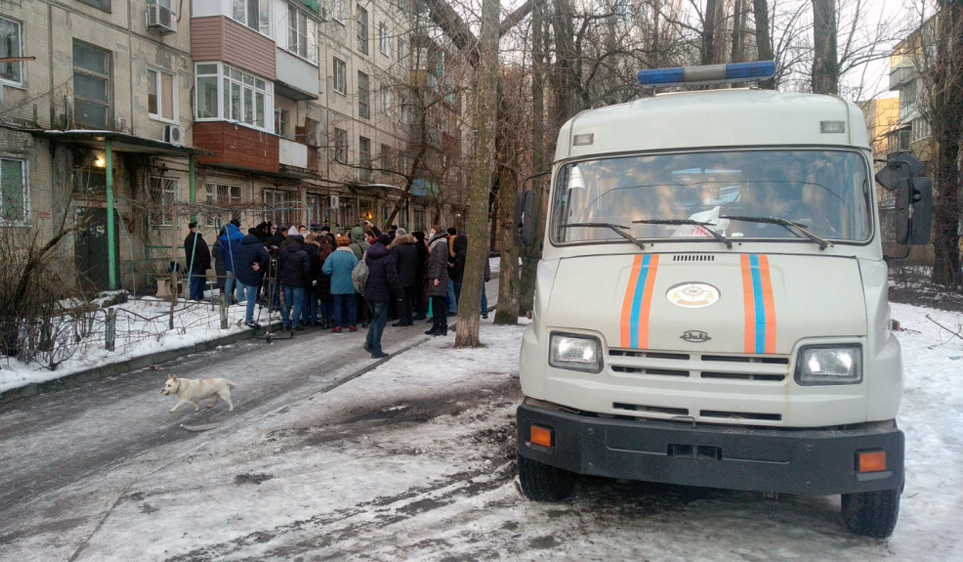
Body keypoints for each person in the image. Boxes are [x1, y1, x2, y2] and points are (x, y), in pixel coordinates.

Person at [364, 234, 402, 358]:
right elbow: (392, 278)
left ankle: (369, 343)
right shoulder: (388, 258)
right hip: (381, 292)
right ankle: (376, 349)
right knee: (380, 321)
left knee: (375, 319)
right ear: (388, 244)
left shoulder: (369, 254)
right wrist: (398, 291)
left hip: (369, 291)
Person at [235, 228, 271, 327]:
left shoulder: (240, 245)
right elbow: (267, 257)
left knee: (241, 296)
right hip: (252, 274)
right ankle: (249, 319)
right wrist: (259, 265)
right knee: (251, 299)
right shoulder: (258, 246)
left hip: (240, 273)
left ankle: (239, 313)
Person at [322, 235, 359, 333]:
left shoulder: (332, 256)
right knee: (351, 304)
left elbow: (325, 270)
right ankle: (352, 325)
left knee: (337, 305)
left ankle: (338, 326)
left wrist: (332, 272)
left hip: (336, 285)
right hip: (350, 284)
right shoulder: (352, 256)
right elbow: (357, 269)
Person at [277, 232, 310, 331]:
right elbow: (307, 270)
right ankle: (295, 324)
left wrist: (281, 277)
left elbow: (279, 266)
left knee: (286, 303)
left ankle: (285, 323)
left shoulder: (284, 252)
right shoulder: (303, 253)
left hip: (286, 280)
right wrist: (308, 281)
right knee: (297, 303)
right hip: (299, 282)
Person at [389, 229, 418, 326]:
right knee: (409, 299)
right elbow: (416, 263)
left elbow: (393, 264)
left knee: (401, 299)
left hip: (400, 279)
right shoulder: (413, 248)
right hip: (411, 278)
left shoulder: (396, 249)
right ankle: (409, 319)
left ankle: (403, 319)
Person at [426, 225, 450, 336]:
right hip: (438, 275)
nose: (431, 234)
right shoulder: (440, 243)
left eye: (432, 232)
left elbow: (439, 262)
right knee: (439, 302)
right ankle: (441, 325)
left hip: (438, 277)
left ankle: (438, 326)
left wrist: (437, 277)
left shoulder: (439, 244)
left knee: (438, 303)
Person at [183, 222, 211, 302]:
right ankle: (193, 298)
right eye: (196, 227)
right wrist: (199, 261)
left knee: (201, 283)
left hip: (201, 265)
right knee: (195, 282)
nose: (198, 229)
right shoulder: (190, 239)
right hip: (196, 265)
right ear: (192, 228)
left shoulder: (198, 238)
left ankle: (200, 298)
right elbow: (191, 253)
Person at [219, 219, 245, 305]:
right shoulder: (240, 236)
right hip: (239, 262)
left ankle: (227, 301)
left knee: (228, 282)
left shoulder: (223, 237)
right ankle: (240, 300)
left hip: (229, 262)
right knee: (240, 281)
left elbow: (221, 252)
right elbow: (243, 249)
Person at [302, 233, 323, 327]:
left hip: (303, 277)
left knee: (304, 299)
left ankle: (305, 318)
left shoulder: (301, 250)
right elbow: (319, 266)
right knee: (313, 299)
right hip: (314, 277)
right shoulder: (317, 251)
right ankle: (313, 319)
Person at [411, 230, 429, 320]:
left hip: (419, 274)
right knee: (420, 294)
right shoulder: (422, 246)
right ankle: (421, 310)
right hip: (421, 273)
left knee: (419, 294)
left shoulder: (418, 247)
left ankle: (420, 312)